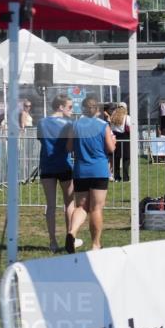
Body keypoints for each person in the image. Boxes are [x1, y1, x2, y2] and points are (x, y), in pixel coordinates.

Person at [66, 97, 116, 252]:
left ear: (82, 109)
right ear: (97, 110)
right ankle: (95, 244)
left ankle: (72, 232)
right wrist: (113, 142)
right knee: (96, 208)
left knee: (81, 206)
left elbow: (68, 148)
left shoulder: (75, 125)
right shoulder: (103, 126)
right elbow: (110, 149)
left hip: (81, 170)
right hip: (99, 170)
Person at [37, 94, 76, 253]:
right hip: (64, 165)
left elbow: (40, 139)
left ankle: (52, 241)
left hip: (47, 165)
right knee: (69, 203)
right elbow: (70, 147)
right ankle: (70, 237)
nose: (72, 111)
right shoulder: (69, 124)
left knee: (51, 205)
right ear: (60, 107)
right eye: (70, 107)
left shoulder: (41, 122)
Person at [109, 102, 131, 182]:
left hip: (116, 140)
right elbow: (130, 129)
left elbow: (111, 129)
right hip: (125, 140)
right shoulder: (127, 117)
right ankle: (125, 178)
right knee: (126, 159)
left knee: (116, 159)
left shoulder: (113, 117)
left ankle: (117, 177)